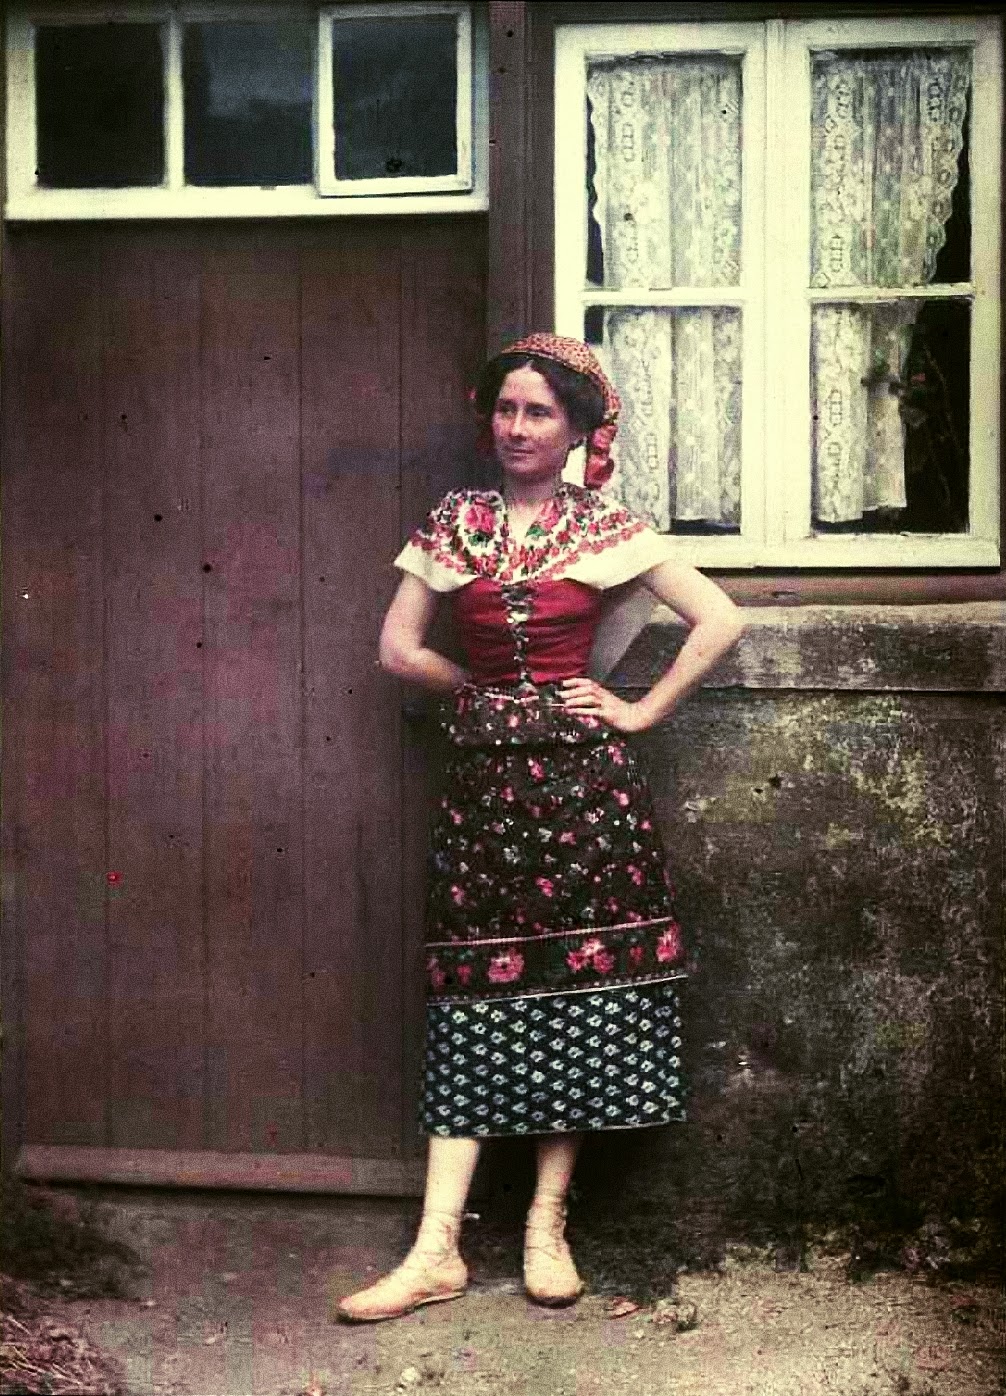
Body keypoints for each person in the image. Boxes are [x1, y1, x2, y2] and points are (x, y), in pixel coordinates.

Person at [335, 333, 744, 1323]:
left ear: (573, 431)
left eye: (536, 414)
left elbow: (718, 617)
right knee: (471, 992)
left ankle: (542, 1228)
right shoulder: (456, 520)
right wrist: (476, 686)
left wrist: (636, 711)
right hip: (482, 793)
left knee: (578, 989)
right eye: (505, 410)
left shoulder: (604, 526)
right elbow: (397, 648)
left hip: (586, 793)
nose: (514, 429)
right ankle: (436, 1248)